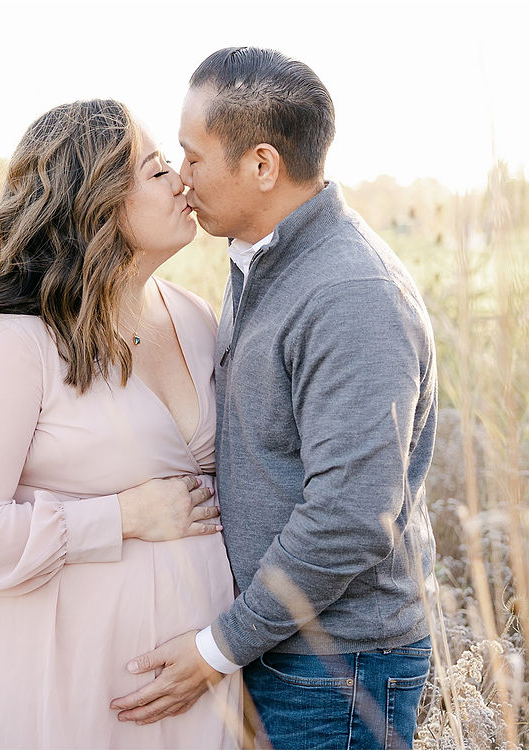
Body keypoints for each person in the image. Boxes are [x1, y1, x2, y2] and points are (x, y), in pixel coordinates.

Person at [110, 47, 439, 749]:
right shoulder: (262, 261)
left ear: (262, 165)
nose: (180, 177)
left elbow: (351, 515)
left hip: (336, 668)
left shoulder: (351, 295)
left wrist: (218, 646)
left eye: (194, 157)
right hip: (281, 647)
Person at [0, 99, 241, 749]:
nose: (182, 179)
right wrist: (119, 516)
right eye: (156, 172)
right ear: (95, 202)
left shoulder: (195, 316)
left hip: (194, 678)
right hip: (60, 679)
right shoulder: (15, 343)